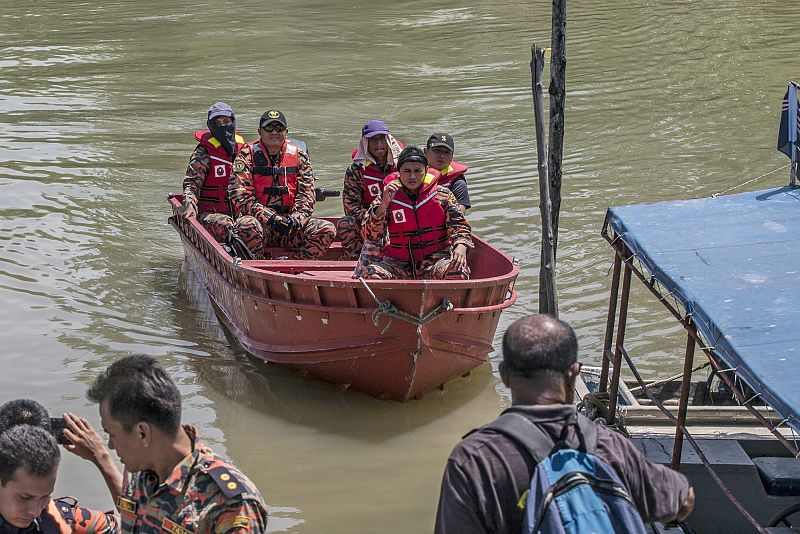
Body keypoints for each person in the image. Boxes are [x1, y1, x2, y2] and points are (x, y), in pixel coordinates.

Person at [434, 314, 695, 533]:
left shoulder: (476, 460)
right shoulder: (610, 447)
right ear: (573, 373)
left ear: (504, 374)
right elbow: (683, 500)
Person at [83, 354, 268, 533]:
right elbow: (133, 519)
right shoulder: (139, 470)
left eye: (112, 435)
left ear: (142, 433)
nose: (110, 445)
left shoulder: (231, 504)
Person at [229, 110, 336, 259]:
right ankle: (258, 264)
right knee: (246, 225)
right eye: (269, 128)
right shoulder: (246, 156)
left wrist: (296, 219)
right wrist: (271, 218)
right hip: (260, 226)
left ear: (286, 132)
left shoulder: (300, 156)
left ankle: (294, 264)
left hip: (289, 227)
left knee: (327, 229)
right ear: (259, 132)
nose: (274, 132)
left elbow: (307, 194)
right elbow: (240, 197)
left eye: (279, 128)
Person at [0, 399, 118, 533]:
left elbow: (132, 523)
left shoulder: (59, 520)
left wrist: (102, 458)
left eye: (44, 496)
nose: (35, 511)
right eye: (25, 497)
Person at [359, 146, 472, 280]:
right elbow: (368, 234)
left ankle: (439, 293)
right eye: (407, 171)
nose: (412, 176)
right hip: (399, 263)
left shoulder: (443, 195)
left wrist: (461, 246)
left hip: (436, 261)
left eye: (417, 171)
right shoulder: (387, 196)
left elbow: (460, 226)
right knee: (370, 275)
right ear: (399, 172)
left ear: (426, 170)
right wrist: (384, 205)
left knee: (458, 271)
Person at [181, 102, 248, 244]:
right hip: (209, 216)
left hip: (239, 214)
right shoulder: (203, 153)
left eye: (226, 121)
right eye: (217, 123)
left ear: (233, 122)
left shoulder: (244, 150)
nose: (223, 126)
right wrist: (190, 204)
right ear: (211, 126)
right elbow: (191, 185)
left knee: (250, 224)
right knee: (226, 225)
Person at [337, 119, 404, 259]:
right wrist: (375, 218)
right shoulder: (356, 170)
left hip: (399, 216)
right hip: (369, 220)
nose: (378, 144)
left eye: (381, 139)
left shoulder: (402, 165)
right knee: (345, 223)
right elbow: (351, 206)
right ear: (365, 143)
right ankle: (355, 260)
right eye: (373, 140)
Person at [423, 133, 471, 212]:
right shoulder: (414, 174)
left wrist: (449, 205)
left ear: (452, 157)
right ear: (426, 152)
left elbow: (461, 212)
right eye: (437, 150)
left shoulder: (457, 182)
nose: (442, 155)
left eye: (447, 152)